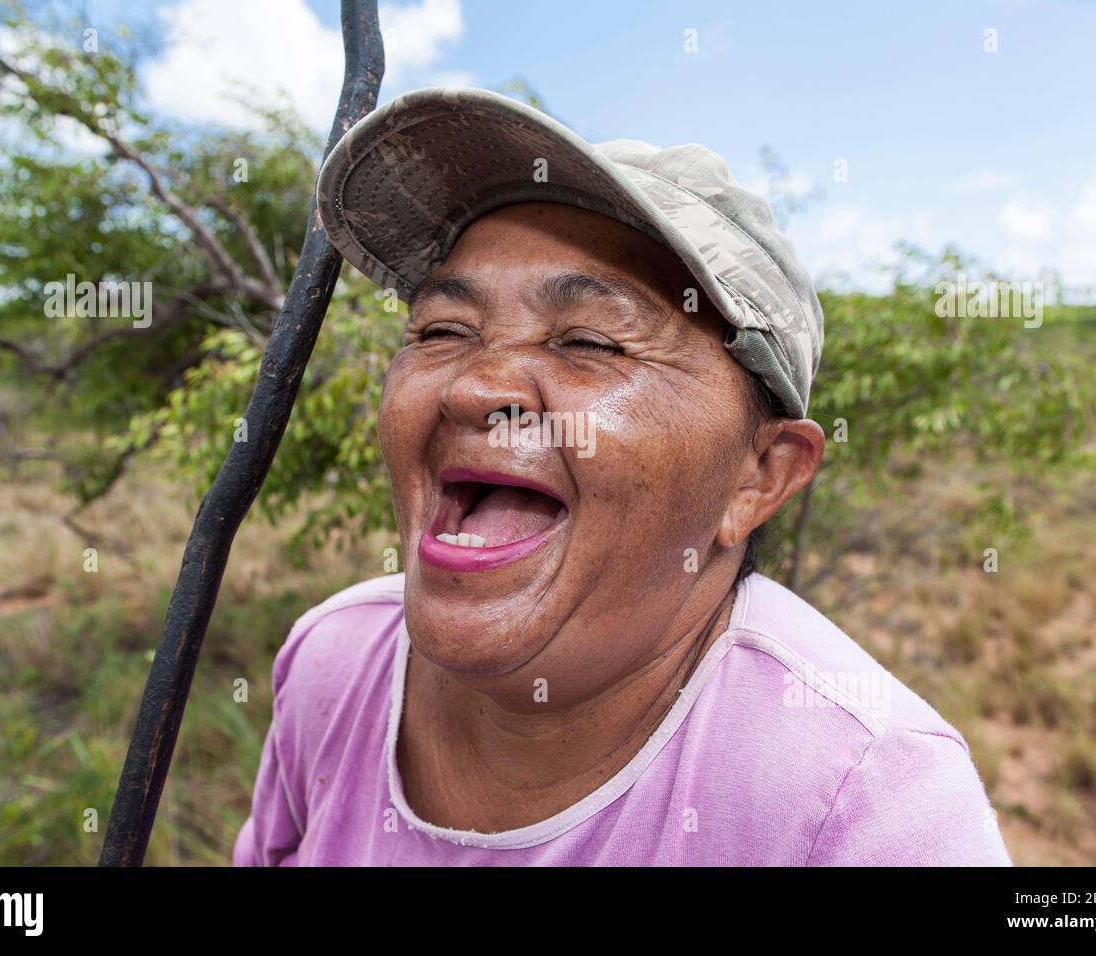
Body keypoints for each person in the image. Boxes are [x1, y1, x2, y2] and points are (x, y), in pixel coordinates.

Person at [234, 88, 1012, 866]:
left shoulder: (866, 803)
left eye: (591, 343)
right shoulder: (334, 660)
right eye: (442, 330)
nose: (474, 388)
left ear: (761, 475)